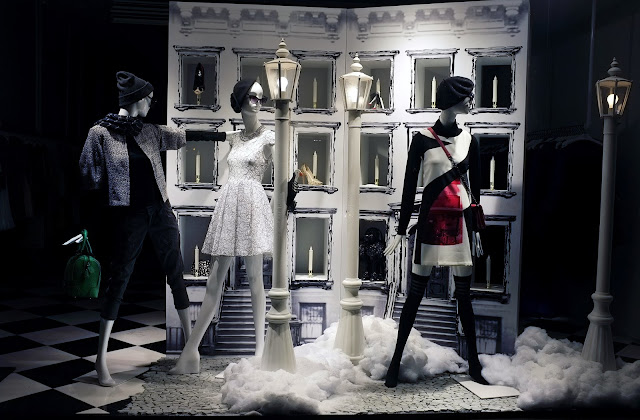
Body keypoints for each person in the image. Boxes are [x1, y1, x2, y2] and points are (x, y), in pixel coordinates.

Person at [170, 78, 297, 375]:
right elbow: (203, 135)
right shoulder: (234, 137)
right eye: (252, 97)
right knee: (214, 280)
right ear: (240, 100)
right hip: (229, 204)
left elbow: (286, 175)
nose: (258, 102)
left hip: (252, 204)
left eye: (261, 97)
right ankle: (190, 352)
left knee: (255, 280)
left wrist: (284, 205)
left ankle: (260, 351)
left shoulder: (270, 138)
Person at [79, 71, 192, 387]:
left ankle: (190, 350)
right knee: (120, 278)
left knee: (176, 271)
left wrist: (227, 136)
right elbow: (88, 177)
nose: (151, 104)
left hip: (161, 209)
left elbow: (183, 136)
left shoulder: (150, 131)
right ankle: (101, 359)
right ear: (137, 99)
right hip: (129, 215)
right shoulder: (100, 133)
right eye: (149, 99)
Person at [383, 76, 489, 387]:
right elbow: (408, 188)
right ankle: (394, 363)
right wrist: (401, 229)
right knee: (415, 295)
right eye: (467, 96)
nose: (471, 101)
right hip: (430, 222)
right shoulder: (422, 140)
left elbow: (476, 190)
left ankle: (474, 365)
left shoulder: (471, 141)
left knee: (464, 296)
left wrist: (477, 230)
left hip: (462, 223)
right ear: (452, 99)